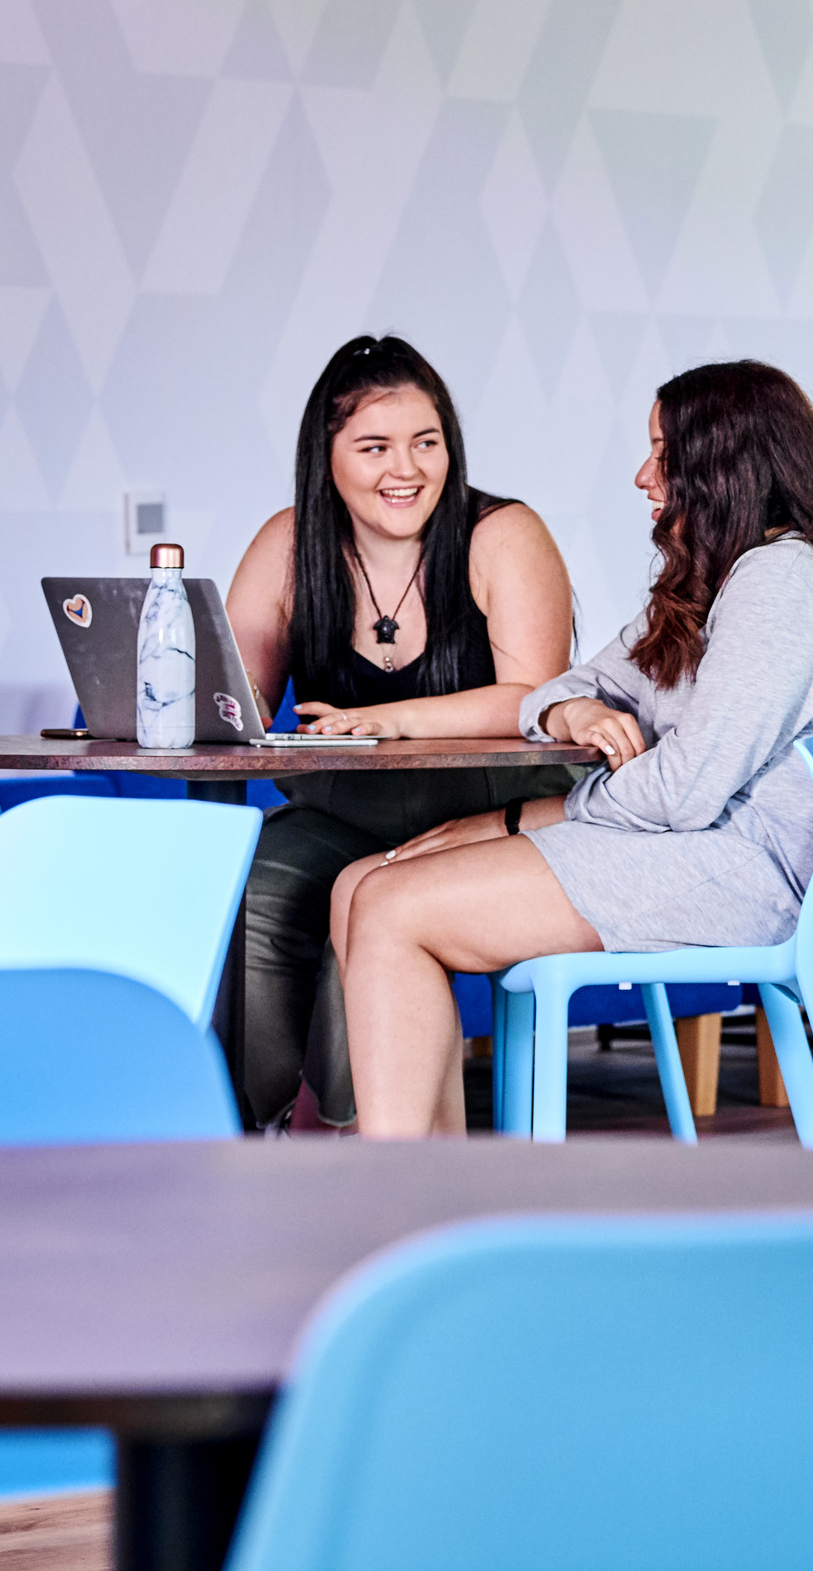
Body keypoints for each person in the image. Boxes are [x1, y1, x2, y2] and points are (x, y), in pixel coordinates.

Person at [330, 361, 813, 1137]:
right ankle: (435, 1177)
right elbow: (553, 690)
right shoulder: (708, 585)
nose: (643, 475)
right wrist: (573, 713)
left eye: (661, 453)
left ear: (721, 467)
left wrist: (524, 819)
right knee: (360, 881)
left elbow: (684, 792)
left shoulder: (782, 585)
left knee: (391, 903)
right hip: (684, 848)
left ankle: (394, 1191)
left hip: (741, 871)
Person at [217, 336, 577, 1131]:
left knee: (376, 903)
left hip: (485, 818)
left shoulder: (503, 534)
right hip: (339, 815)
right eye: (374, 447)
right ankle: (246, 1125)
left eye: (425, 443)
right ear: (328, 457)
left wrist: (390, 720)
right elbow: (232, 703)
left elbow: (533, 698)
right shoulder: (289, 544)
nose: (405, 470)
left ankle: (361, 1135)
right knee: (252, 894)